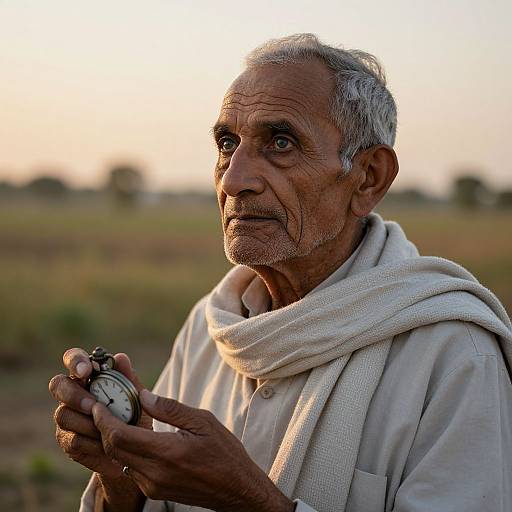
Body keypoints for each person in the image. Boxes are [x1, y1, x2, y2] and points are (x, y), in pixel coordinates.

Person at [49, 34, 512, 512]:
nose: (233, 179)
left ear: (368, 177)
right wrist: (122, 470)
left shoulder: (455, 355)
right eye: (228, 143)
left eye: (281, 142)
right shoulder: (211, 328)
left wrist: (247, 500)